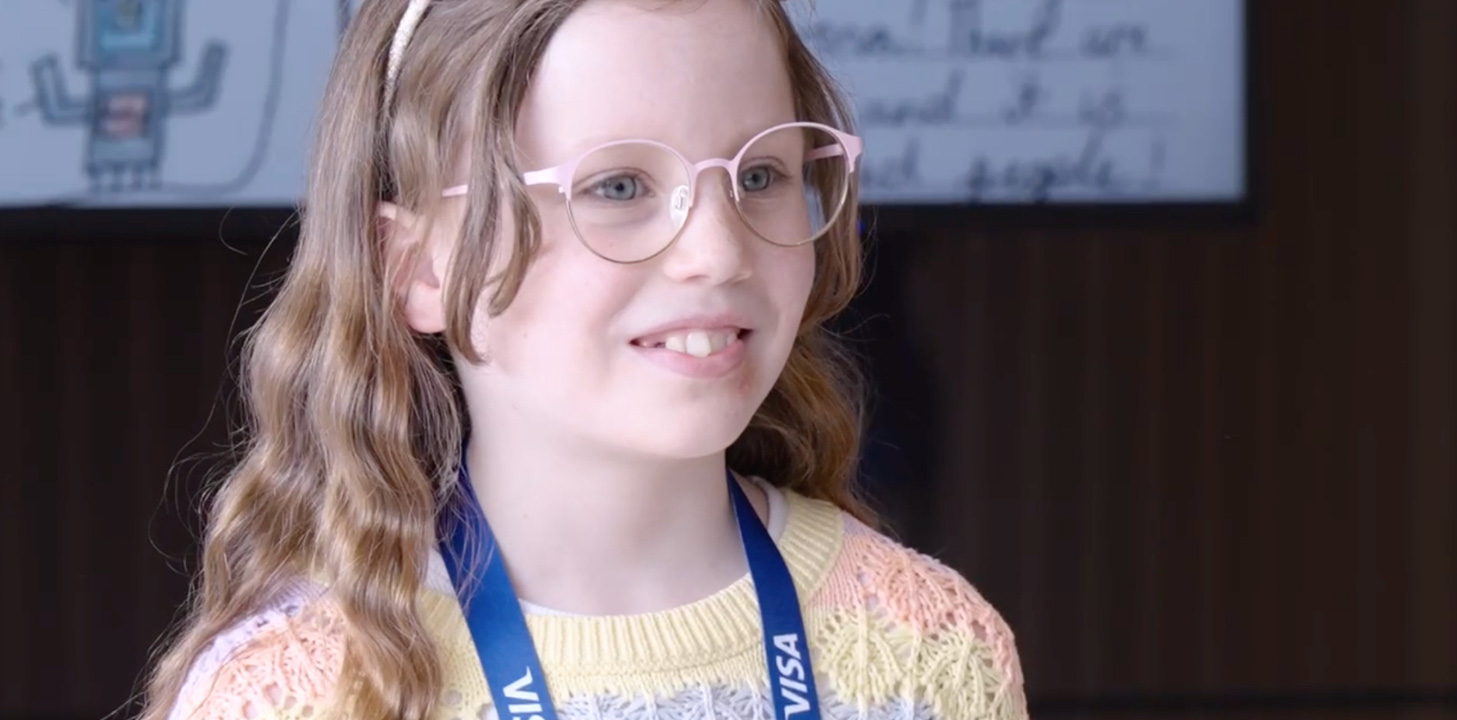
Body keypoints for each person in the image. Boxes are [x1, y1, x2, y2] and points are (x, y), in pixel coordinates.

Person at [136, 1, 1027, 718]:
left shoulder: (931, 655)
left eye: (759, 175)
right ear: (417, 267)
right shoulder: (289, 696)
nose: (717, 250)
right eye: (618, 186)